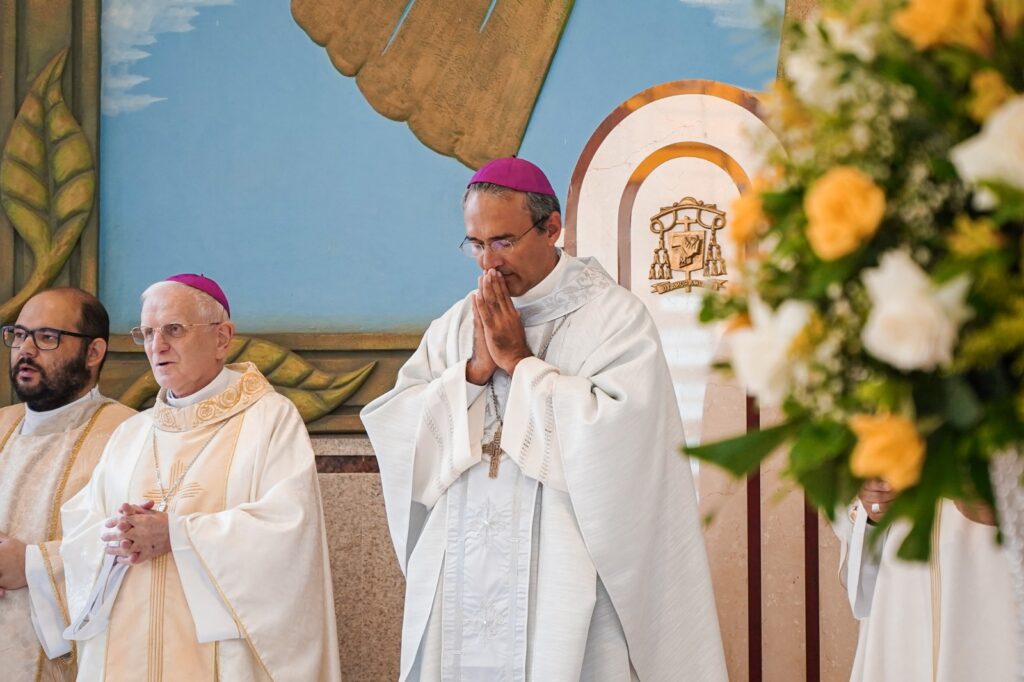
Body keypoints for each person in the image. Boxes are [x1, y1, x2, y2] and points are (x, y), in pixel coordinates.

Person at [362, 157, 727, 680]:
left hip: (564, 575)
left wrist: (520, 365)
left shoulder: (613, 318)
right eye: (475, 244)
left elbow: (621, 442)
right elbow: (398, 425)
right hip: (463, 577)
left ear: (552, 227)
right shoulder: (457, 324)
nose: (489, 263)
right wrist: (469, 374)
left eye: (504, 241)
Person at [58, 274, 342, 681]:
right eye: (148, 333)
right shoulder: (132, 434)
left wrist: (179, 534)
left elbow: (289, 532)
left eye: (174, 329)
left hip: (221, 659)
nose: (157, 346)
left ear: (222, 338)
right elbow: (83, 530)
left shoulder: (269, 420)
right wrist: (116, 535)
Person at [0, 287, 135, 681]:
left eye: (46, 337)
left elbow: (136, 553)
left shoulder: (130, 435)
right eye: (18, 335)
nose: (26, 350)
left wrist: (30, 566)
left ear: (93, 353)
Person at [835, 480, 1016, 681]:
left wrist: (1006, 504)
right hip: (903, 585)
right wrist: (870, 508)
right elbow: (854, 493)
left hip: (991, 573)